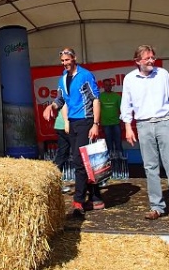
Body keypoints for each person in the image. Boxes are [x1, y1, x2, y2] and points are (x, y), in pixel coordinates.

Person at [120, 45, 169, 222]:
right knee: (150, 167)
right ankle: (156, 207)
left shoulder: (162, 74)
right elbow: (126, 104)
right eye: (147, 58)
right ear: (138, 61)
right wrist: (128, 126)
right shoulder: (129, 79)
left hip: (164, 122)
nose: (151, 61)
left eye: (153, 57)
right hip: (143, 125)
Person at [43, 47, 104, 216]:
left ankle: (78, 202)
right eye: (62, 61)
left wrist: (95, 124)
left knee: (79, 160)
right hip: (73, 122)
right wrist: (51, 107)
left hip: (86, 121)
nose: (65, 63)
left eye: (67, 60)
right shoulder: (63, 78)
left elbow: (95, 99)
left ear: (74, 58)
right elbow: (60, 99)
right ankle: (95, 197)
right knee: (84, 161)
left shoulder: (85, 75)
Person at [100, 78, 123, 155]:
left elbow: (122, 110)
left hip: (116, 123)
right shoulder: (100, 97)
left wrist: (123, 122)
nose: (108, 86)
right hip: (105, 124)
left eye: (109, 85)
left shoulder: (117, 96)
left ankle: (120, 158)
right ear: (103, 86)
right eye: (106, 85)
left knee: (118, 142)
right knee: (108, 143)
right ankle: (111, 158)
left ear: (112, 86)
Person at [53, 104, 72, 193]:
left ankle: (55, 184)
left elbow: (55, 104)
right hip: (69, 125)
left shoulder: (60, 95)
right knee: (79, 154)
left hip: (61, 125)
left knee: (62, 155)